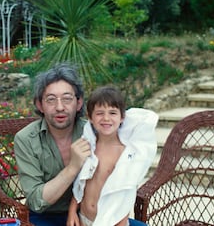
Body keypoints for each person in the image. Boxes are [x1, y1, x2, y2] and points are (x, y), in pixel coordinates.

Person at [13, 63, 92, 226]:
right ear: (40, 105)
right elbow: (35, 200)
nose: (60, 107)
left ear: (78, 103)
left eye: (67, 99)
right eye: (51, 100)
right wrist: (73, 167)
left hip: (89, 213)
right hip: (45, 216)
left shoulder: (93, 133)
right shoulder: (25, 139)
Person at [67, 86, 158, 226]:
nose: (106, 118)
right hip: (83, 218)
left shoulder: (125, 154)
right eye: (99, 113)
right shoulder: (87, 147)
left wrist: (121, 223)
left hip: (112, 222)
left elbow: (125, 193)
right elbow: (80, 181)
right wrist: (72, 211)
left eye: (112, 113)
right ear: (90, 117)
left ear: (122, 117)